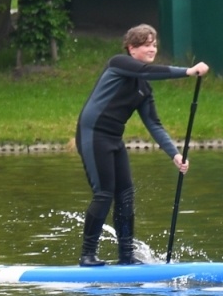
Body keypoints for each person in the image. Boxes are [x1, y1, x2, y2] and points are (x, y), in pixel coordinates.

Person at [75, 24, 210, 266]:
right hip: (93, 135)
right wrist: (188, 71)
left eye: (155, 44)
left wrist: (175, 155)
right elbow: (147, 71)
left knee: (125, 195)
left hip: (114, 140)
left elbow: (154, 125)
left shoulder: (143, 89)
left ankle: (126, 256)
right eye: (147, 44)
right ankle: (87, 256)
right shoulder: (118, 63)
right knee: (104, 193)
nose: (152, 49)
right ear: (131, 48)